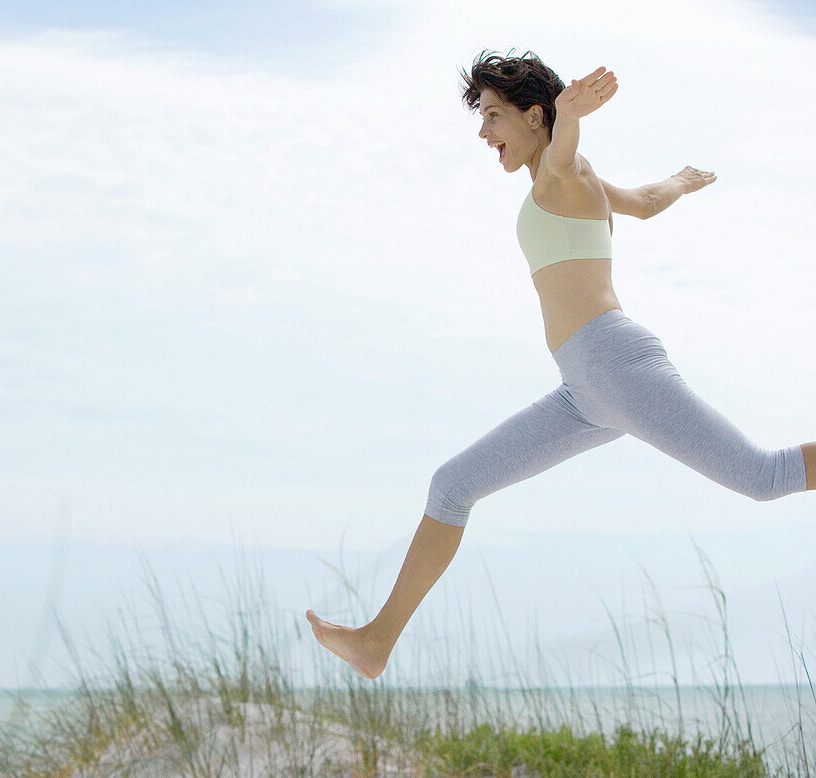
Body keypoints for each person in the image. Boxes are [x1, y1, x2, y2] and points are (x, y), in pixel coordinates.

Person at [305, 49, 815, 681]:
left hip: (618, 368)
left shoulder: (561, 174)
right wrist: (681, 180)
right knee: (452, 486)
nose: (483, 132)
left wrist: (572, 115)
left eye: (493, 115)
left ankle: (377, 640)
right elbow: (647, 202)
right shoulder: (581, 183)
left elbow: (565, 152)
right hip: (586, 390)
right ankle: (375, 643)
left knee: (764, 477)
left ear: (534, 114)